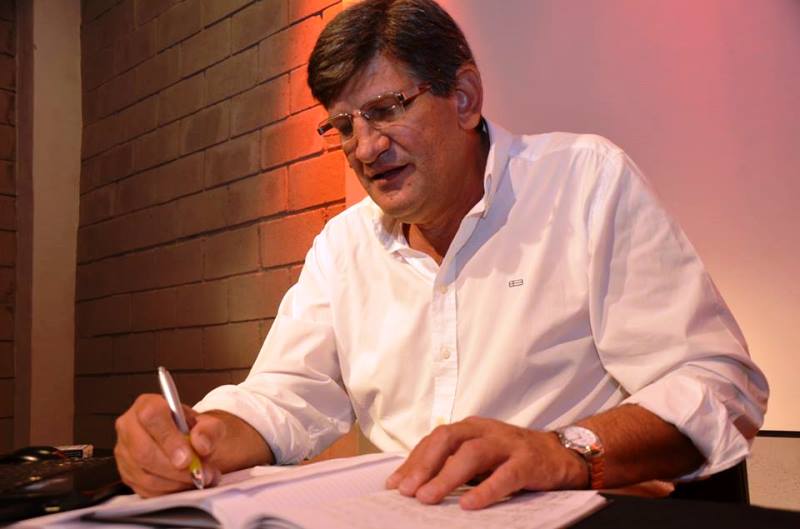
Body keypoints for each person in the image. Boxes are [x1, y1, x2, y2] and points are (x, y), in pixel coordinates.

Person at [114, 0, 768, 510]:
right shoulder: (344, 246)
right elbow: (284, 396)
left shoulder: (582, 182)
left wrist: (562, 451)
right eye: (343, 126)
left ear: (464, 98)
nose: (364, 149)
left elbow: (719, 384)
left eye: (384, 110)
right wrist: (201, 437)